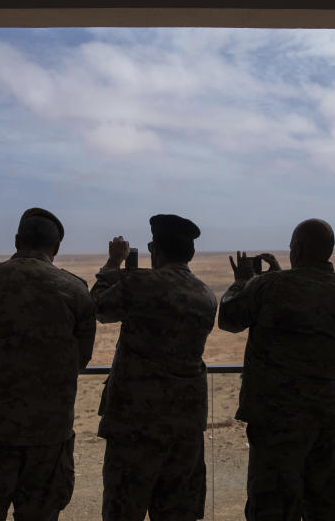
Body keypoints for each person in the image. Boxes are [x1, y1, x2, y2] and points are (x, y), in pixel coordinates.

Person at [0, 208, 96, 521]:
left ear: (17, 240)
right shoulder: (75, 289)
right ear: (55, 249)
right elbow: (81, 359)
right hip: (47, 434)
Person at [219, 218, 335, 521]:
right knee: (326, 508)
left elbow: (230, 318)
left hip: (276, 422)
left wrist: (244, 281)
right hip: (326, 420)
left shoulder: (269, 287)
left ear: (296, 248)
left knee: (272, 508)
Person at [91, 214, 217, 521]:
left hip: (136, 423)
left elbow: (98, 308)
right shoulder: (206, 295)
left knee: (123, 510)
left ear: (154, 249)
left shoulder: (141, 283)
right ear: (191, 253)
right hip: (185, 425)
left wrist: (112, 265)